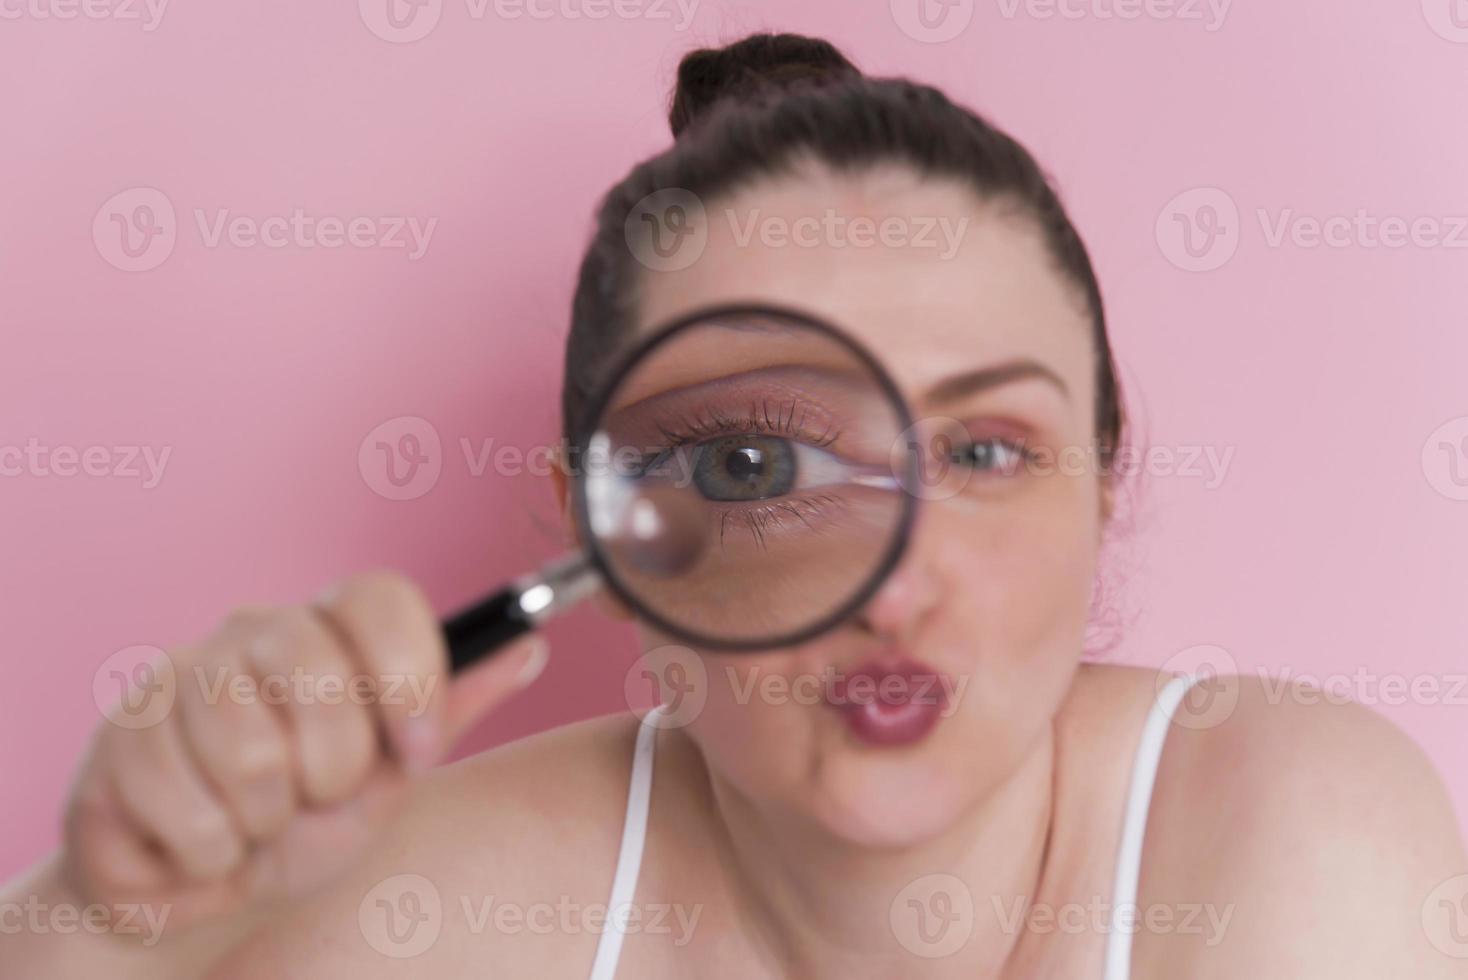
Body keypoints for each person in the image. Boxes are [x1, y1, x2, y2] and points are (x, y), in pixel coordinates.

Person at [6, 31, 1466, 980]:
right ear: (608, 542)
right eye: (759, 468)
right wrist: (107, 922)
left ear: (1104, 483)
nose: (899, 588)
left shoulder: (1295, 836)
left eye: (983, 452)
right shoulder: (451, 898)